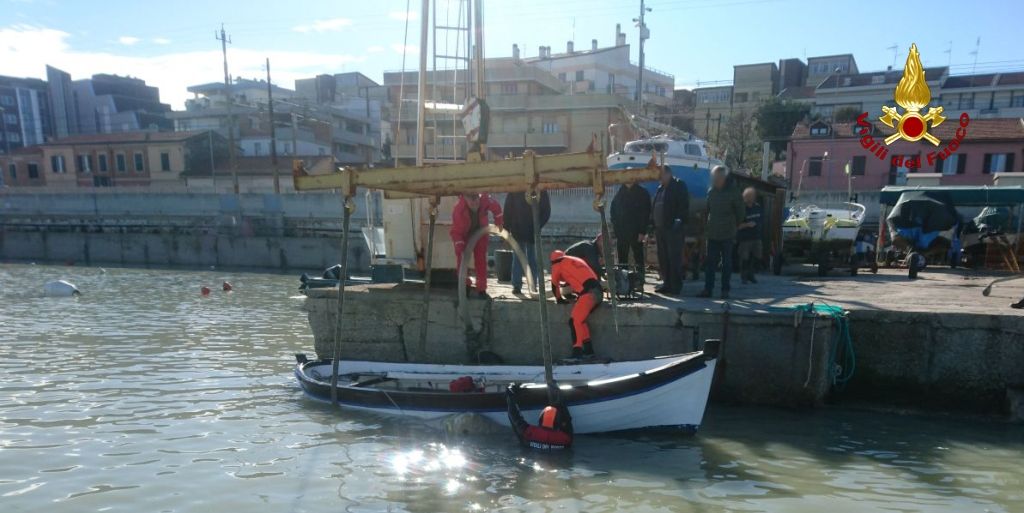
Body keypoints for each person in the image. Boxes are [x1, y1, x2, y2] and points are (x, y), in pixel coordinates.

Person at [698, 166, 745, 299]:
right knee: (710, 264)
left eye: (718, 178)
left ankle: (725, 290)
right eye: (714, 178)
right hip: (712, 233)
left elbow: (740, 212)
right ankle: (708, 289)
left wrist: (735, 225)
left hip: (727, 234)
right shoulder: (711, 191)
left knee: (726, 264)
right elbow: (707, 210)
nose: (716, 180)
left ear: (724, 178)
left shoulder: (734, 192)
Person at [550, 250, 603, 358]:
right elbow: (578, 278)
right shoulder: (575, 260)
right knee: (580, 321)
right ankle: (589, 351)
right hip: (598, 292)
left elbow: (554, 285)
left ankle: (577, 353)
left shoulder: (558, 264)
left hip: (588, 294)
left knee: (574, 321)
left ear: (553, 261)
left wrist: (559, 299)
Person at [450, 192, 503, 298]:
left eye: (476, 201)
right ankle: (464, 287)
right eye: (472, 202)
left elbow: (497, 209)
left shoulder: (485, 199)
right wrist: (459, 245)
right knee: (462, 262)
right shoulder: (459, 210)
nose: (475, 204)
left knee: (481, 261)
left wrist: (499, 222)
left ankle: (481, 289)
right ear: (466, 199)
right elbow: (456, 232)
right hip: (464, 236)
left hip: (481, 234)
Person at [651, 166, 690, 295]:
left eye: (661, 175)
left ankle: (676, 286)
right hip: (660, 229)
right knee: (663, 258)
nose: (659, 178)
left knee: (674, 258)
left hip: (673, 229)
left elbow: (683, 204)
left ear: (668, 174)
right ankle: (666, 284)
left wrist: (678, 220)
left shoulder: (679, 185)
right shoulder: (660, 189)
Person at [503, 191, 551, 294]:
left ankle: (520, 285)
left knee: (525, 258)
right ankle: (528, 285)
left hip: (527, 229)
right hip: (525, 229)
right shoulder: (538, 189)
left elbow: (507, 210)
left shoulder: (517, 189)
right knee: (526, 259)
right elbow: (546, 211)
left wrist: (538, 225)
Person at [506, 383, 573, 450]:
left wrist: (510, 396)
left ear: (541, 419)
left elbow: (514, 415)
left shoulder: (529, 433)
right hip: (558, 458)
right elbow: (567, 420)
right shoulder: (565, 439)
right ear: (558, 423)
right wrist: (559, 396)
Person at [610, 181, 651, 268]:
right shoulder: (619, 193)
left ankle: (639, 278)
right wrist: (616, 230)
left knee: (638, 257)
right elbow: (613, 213)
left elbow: (646, 213)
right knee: (622, 258)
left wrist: (642, 231)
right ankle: (623, 278)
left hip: (636, 232)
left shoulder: (642, 192)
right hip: (622, 233)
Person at [736, 187, 763, 284]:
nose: (750, 198)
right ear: (745, 197)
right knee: (744, 258)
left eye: (752, 196)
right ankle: (744, 277)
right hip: (745, 238)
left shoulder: (758, 207)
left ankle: (751, 275)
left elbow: (761, 220)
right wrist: (747, 224)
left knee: (757, 257)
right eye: (748, 196)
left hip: (757, 237)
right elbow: (737, 225)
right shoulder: (741, 209)